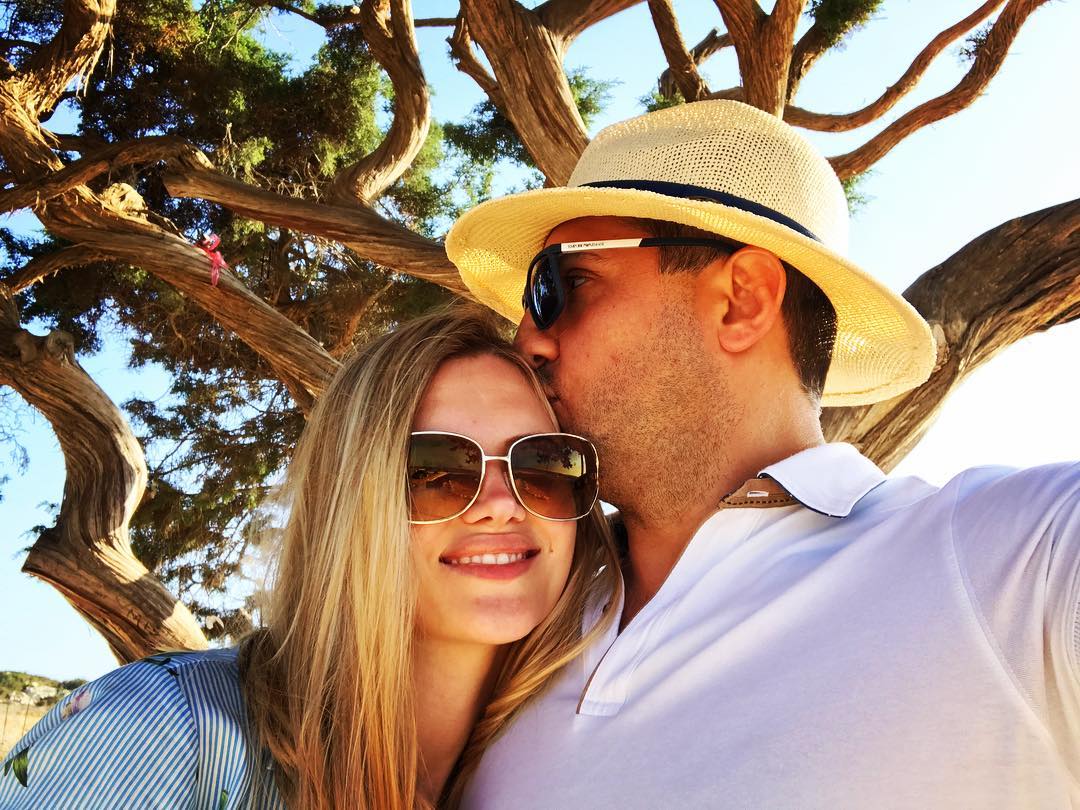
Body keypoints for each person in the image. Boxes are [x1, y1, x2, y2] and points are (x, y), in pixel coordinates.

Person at [445, 99, 1080, 808]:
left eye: (562, 285)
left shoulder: (1010, 564)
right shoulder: (511, 610)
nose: (526, 340)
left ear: (741, 301)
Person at [0, 307, 621, 809]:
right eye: (435, 472)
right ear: (348, 501)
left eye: (542, 465)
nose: (501, 506)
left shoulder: (577, 772)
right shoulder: (159, 735)